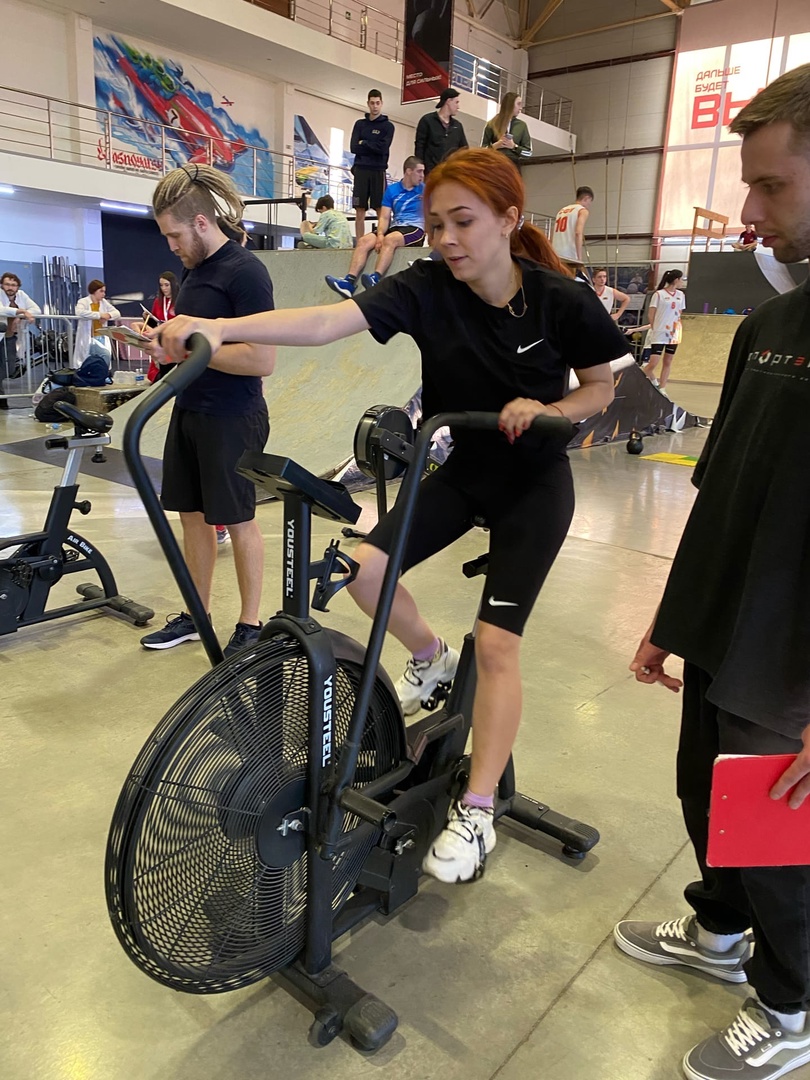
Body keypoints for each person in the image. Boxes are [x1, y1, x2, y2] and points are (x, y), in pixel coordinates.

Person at [158, 147, 629, 885]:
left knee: (496, 645)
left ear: (509, 219)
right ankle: (431, 659)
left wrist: (552, 410)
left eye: (463, 222)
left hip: (533, 482)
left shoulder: (560, 299)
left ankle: (478, 810)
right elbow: (324, 322)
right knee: (362, 571)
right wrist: (220, 328)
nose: (446, 239)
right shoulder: (426, 287)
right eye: (435, 224)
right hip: (462, 470)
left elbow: (601, 387)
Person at [615, 62, 810, 1080]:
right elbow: (722, 485)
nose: (749, 213)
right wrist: (671, 615)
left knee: (780, 844)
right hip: (727, 623)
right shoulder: (769, 331)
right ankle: (721, 933)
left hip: (795, 657)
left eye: (772, 185)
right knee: (703, 792)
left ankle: (791, 1005)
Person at [139, 164, 275, 658]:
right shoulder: (193, 270)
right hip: (191, 408)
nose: (170, 246)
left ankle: (250, 625)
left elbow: (261, 359)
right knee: (191, 517)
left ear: (201, 223)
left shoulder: (246, 272)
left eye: (174, 235)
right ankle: (197, 614)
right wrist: (162, 343)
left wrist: (191, 351)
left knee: (238, 520)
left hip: (232, 416)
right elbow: (194, 341)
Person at [325, 157, 425, 298]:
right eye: (419, 171)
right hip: (396, 227)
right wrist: (380, 235)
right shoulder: (392, 190)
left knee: (390, 240)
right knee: (364, 241)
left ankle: (375, 278)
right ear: (409, 171)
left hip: (415, 228)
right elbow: (384, 217)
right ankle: (348, 282)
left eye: (423, 172)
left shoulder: (425, 190)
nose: (422, 175)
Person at [349, 89, 395, 241]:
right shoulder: (360, 124)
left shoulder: (388, 126)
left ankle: (381, 238)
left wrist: (365, 143)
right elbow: (354, 147)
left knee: (380, 208)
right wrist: (374, 146)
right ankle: (360, 241)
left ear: (381, 104)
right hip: (361, 169)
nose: (375, 106)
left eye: (377, 103)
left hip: (378, 170)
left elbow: (383, 148)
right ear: (368, 104)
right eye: (372, 103)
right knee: (359, 209)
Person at [634, 269, 686, 390]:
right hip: (660, 332)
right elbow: (651, 314)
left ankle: (662, 388)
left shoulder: (681, 295)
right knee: (653, 362)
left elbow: (679, 312)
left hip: (674, 333)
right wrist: (655, 327)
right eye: (681, 279)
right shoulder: (658, 295)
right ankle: (637, 380)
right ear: (676, 280)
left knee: (668, 361)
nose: (682, 282)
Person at [414, 87, 468, 175]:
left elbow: (464, 150)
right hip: (430, 173)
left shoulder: (458, 126)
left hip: (450, 174)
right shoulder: (427, 120)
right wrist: (421, 171)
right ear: (448, 101)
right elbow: (419, 147)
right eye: (456, 102)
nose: (458, 107)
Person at [0, 272, 40, 380]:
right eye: (7, 284)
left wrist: (20, 317)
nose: (10, 288)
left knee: (10, 368)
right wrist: (22, 311)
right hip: (1, 334)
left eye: (13, 285)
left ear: (17, 287)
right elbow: (1, 310)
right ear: (2, 285)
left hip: (10, 337)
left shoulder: (22, 295)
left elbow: (36, 310)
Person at [73, 280, 120, 368]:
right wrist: (99, 315)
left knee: (103, 357)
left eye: (104, 291)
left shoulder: (104, 302)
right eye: (101, 291)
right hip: (89, 337)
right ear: (94, 291)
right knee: (104, 355)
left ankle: (102, 373)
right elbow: (79, 312)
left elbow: (117, 313)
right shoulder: (83, 301)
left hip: (101, 336)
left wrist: (108, 315)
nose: (103, 294)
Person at [481, 92, 532, 167]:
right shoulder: (492, 124)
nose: (521, 108)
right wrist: (495, 146)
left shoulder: (522, 125)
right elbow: (482, 151)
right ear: (510, 105)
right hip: (494, 166)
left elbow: (528, 153)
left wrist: (514, 146)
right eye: (518, 104)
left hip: (513, 167)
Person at [551, 186, 594, 270]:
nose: (589, 205)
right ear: (587, 198)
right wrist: (579, 258)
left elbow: (553, 233)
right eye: (590, 201)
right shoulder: (582, 211)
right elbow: (578, 233)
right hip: (569, 255)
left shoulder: (561, 211)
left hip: (555, 253)